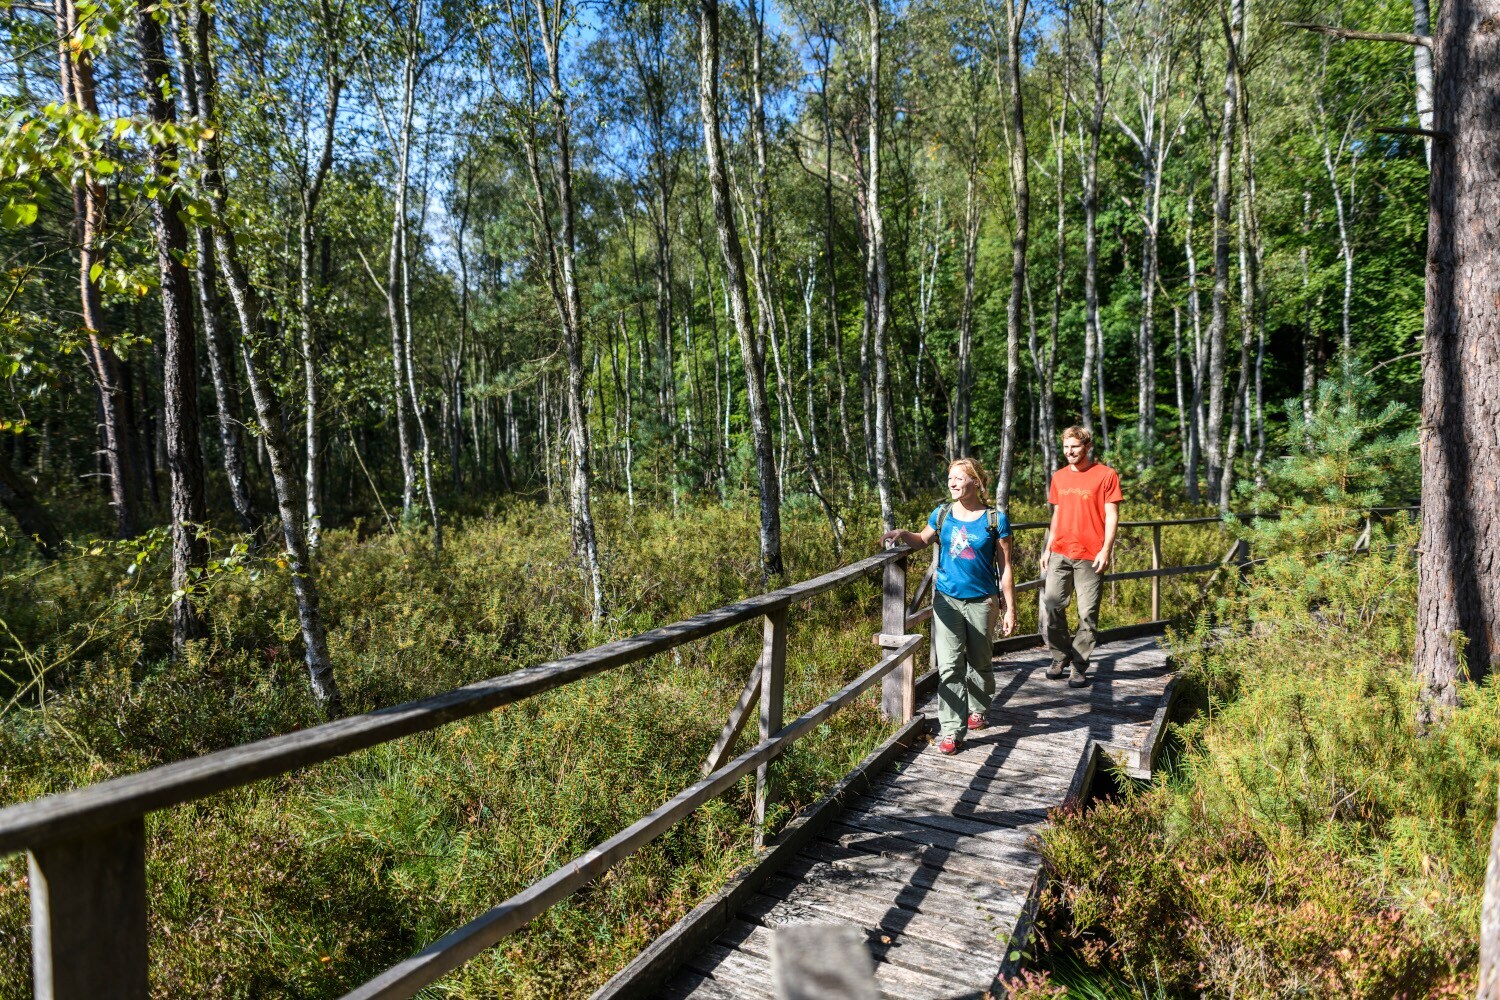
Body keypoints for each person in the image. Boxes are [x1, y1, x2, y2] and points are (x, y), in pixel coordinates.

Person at [883, 458, 1017, 755]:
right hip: (946, 600)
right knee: (949, 666)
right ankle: (952, 730)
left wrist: (1010, 608)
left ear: (976, 482)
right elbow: (922, 540)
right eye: (950, 478)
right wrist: (902, 534)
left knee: (980, 662)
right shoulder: (942, 513)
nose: (952, 483)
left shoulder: (995, 520)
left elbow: (1006, 567)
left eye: (959, 478)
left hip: (982, 601)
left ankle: (979, 708)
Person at [1040, 426, 1122, 687]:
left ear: (1087, 446)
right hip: (1060, 552)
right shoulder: (1059, 477)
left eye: (1075, 446)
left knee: (1087, 614)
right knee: (1052, 606)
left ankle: (1079, 666)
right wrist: (1048, 547)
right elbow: (1057, 513)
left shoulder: (1106, 475)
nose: (1069, 451)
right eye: (1066, 447)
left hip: (1090, 554)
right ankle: (1060, 656)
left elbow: (1112, 515)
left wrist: (1106, 549)